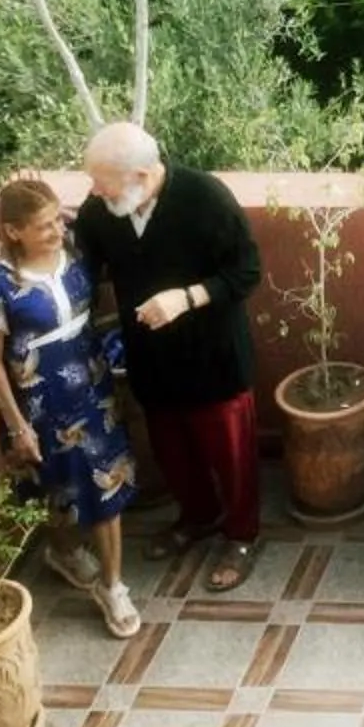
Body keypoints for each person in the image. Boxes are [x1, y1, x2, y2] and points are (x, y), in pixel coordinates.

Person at [74, 121, 267, 593]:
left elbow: (246, 271)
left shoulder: (205, 198)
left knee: (231, 452)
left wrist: (188, 297)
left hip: (213, 356)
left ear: (141, 175)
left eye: (103, 181)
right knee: (172, 449)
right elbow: (85, 260)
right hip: (150, 357)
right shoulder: (103, 210)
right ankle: (197, 516)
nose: (94, 191)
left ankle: (242, 535)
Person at [0, 177, 142, 638]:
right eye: (42, 226)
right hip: (41, 404)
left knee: (107, 486)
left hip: (93, 387)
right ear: (13, 231)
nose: (54, 231)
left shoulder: (76, 253)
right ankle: (62, 551)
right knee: (58, 490)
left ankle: (113, 586)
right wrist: (16, 423)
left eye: (56, 220)